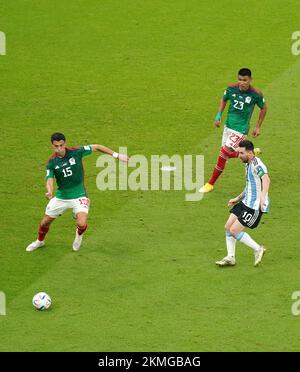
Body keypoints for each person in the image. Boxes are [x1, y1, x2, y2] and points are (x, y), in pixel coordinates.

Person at [26, 132, 129, 252]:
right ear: (52, 145)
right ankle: (40, 241)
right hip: (61, 197)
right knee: (44, 223)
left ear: (65, 143)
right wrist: (49, 191)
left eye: (61, 145)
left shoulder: (76, 152)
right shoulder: (51, 162)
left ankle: (79, 235)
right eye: (56, 146)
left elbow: (97, 147)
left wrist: (117, 155)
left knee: (81, 223)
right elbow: (49, 179)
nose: (59, 149)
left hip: (79, 195)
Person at [199, 68, 267, 193]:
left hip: (241, 129)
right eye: (240, 79)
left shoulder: (256, 94)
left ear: (250, 80)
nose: (242, 83)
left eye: (245, 80)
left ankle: (210, 183)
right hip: (228, 126)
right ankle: (250, 153)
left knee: (223, 154)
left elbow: (264, 108)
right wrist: (218, 115)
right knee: (226, 154)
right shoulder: (231, 88)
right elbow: (224, 99)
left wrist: (258, 126)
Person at [215, 140, 270, 267]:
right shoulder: (248, 163)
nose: (239, 156)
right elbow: (250, 185)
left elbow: (266, 179)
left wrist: (263, 197)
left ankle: (258, 249)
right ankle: (231, 257)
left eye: (241, 153)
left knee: (234, 230)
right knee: (228, 227)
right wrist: (237, 198)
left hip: (254, 206)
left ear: (250, 153)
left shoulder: (257, 165)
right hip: (245, 202)